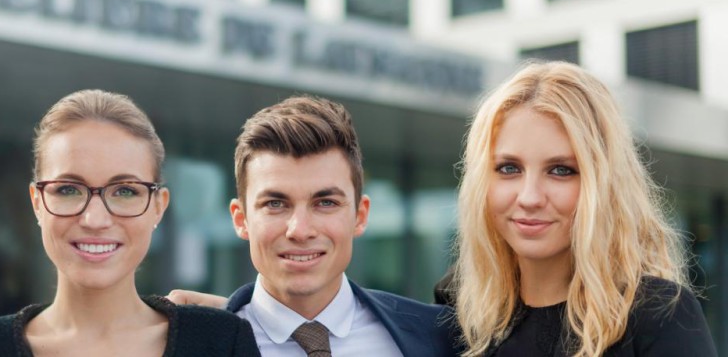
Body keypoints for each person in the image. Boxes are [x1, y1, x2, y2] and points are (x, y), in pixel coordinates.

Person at [439, 61, 715, 356]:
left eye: (561, 170)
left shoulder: (658, 315)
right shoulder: (459, 309)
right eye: (509, 168)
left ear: (605, 183)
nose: (530, 197)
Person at [0, 89, 259, 357]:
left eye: (125, 191)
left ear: (158, 206)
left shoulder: (221, 341)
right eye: (69, 189)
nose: (95, 220)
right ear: (37, 203)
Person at [174, 96, 458, 356]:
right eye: (275, 204)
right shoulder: (188, 345)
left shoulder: (438, 336)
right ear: (241, 219)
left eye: (325, 203)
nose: (300, 230)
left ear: (360, 215)